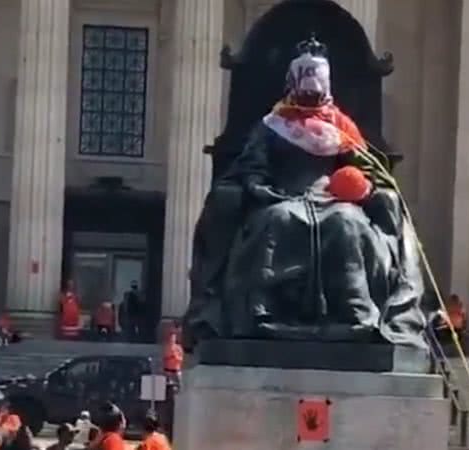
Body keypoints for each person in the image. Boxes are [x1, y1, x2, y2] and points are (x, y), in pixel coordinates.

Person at [183, 36, 429, 348]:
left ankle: (356, 307)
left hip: (335, 199)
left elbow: (368, 170)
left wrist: (363, 187)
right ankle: (261, 310)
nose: (311, 87)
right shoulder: (272, 126)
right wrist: (260, 188)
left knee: (347, 224)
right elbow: (252, 166)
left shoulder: (343, 128)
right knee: (277, 221)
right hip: (282, 195)